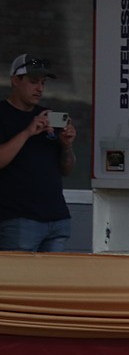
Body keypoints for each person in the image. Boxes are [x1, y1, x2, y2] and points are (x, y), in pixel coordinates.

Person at [0, 54, 76, 252]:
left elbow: (66, 169)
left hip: (57, 217)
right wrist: (27, 132)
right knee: (18, 281)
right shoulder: (3, 114)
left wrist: (67, 145)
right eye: (33, 82)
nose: (40, 88)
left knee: (52, 282)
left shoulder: (47, 116)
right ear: (15, 80)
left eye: (43, 83)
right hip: (18, 218)